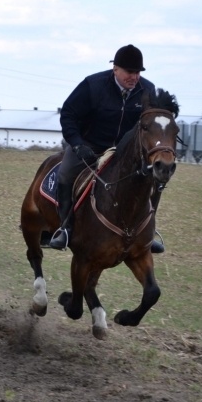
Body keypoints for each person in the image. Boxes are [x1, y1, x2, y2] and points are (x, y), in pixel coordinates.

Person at [49, 44, 165, 253]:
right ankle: (65, 229)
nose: (134, 77)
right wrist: (77, 144)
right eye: (130, 72)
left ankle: (150, 231)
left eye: (138, 72)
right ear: (115, 69)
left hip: (125, 151)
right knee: (65, 174)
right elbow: (68, 114)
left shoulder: (147, 90)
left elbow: (153, 121)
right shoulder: (93, 85)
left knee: (155, 179)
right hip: (89, 146)